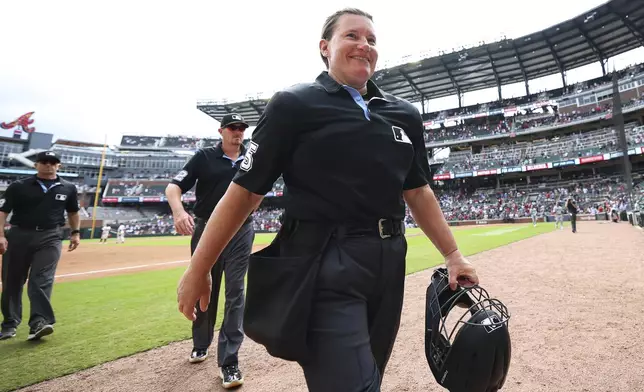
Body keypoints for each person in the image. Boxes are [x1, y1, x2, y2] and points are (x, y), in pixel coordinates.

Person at [176, 8, 479, 392]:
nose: (364, 45)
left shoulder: (404, 116)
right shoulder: (294, 105)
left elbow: (418, 191)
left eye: (371, 40)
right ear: (325, 47)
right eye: (352, 36)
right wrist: (199, 268)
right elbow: (245, 192)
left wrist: (453, 255)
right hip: (323, 261)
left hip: (388, 262)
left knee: (371, 376)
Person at [165, 113, 255, 389]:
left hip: (242, 229)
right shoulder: (204, 157)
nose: (238, 131)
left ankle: (229, 362)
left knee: (236, 292)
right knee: (205, 287)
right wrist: (179, 212)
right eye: (232, 127)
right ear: (221, 131)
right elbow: (173, 187)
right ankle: (200, 343)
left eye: (241, 127)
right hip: (206, 229)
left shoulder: (252, 154)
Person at [0, 151, 81, 341]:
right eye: (44, 162)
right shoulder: (18, 186)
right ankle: (9, 324)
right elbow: (3, 212)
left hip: (51, 235)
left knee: (41, 279)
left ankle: (39, 322)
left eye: (53, 162)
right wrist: (1, 235)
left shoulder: (68, 188)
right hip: (19, 234)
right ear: (36, 165)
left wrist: (75, 233)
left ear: (58, 166)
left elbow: (73, 212)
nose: (48, 165)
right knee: (12, 281)